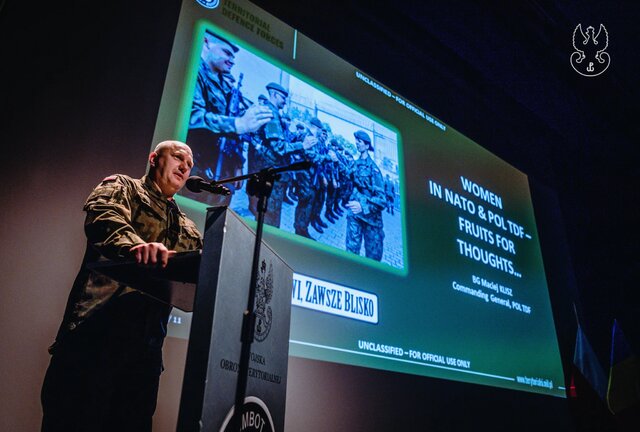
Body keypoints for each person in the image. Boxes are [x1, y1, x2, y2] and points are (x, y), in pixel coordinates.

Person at [41, 141, 203, 432]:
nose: (185, 167)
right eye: (178, 158)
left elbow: (206, 266)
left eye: (189, 165)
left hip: (144, 358)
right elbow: (105, 219)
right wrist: (137, 248)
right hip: (94, 338)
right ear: (154, 159)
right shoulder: (123, 187)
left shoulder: (187, 228)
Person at [186, 32, 272, 206]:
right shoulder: (194, 71)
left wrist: (237, 164)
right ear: (206, 42)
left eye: (233, 56)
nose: (232, 60)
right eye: (227, 52)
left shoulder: (222, 85)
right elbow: (193, 116)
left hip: (221, 167)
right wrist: (238, 124)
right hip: (195, 167)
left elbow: (232, 132)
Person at [345, 131, 386, 260]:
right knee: (351, 252)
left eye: (360, 141)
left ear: (367, 145)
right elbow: (347, 176)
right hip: (355, 215)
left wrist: (362, 206)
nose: (356, 142)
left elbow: (382, 200)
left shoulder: (374, 169)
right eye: (356, 140)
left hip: (371, 220)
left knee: (373, 258)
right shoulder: (355, 165)